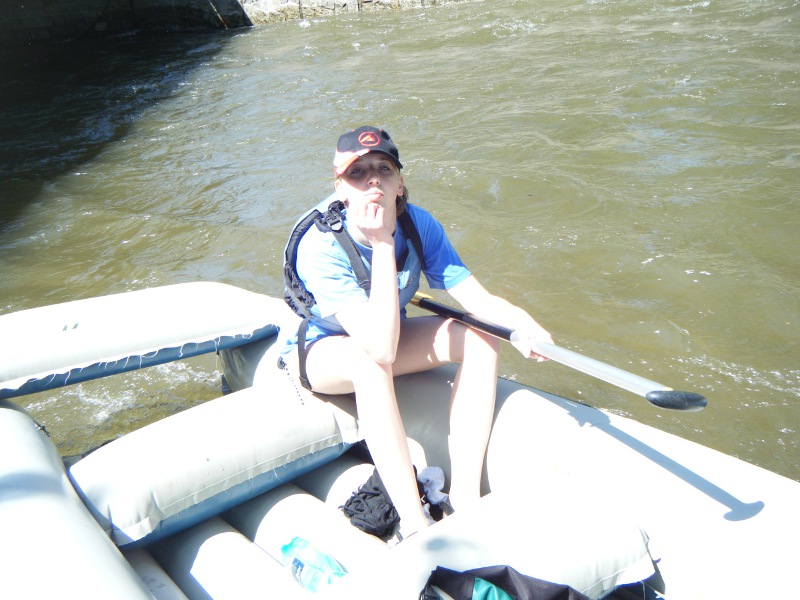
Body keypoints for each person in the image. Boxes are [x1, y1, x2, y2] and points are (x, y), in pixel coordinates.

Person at [276, 126, 553, 538]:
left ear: (400, 182)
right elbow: (381, 350)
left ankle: (465, 496)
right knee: (371, 364)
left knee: (481, 337)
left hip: (386, 333)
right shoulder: (321, 245)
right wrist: (382, 244)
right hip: (319, 350)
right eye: (357, 173)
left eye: (383, 169)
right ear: (340, 187)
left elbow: (476, 298)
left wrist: (523, 323)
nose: (373, 180)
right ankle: (415, 520)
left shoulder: (419, 225)